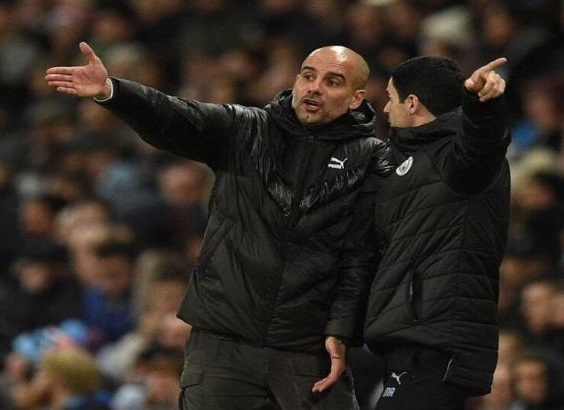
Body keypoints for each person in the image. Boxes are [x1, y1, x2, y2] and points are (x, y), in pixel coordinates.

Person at [46, 42, 391, 409]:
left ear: (356, 98)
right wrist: (114, 91)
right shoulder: (248, 129)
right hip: (222, 342)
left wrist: (341, 329)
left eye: (332, 81)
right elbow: (176, 116)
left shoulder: (371, 158)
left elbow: (361, 254)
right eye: (308, 76)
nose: (315, 87)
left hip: (307, 348)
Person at [365, 56, 510, 409]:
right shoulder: (403, 162)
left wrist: (481, 105)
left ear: (412, 103)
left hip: (438, 336)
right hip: (407, 335)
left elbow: (482, 145)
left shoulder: (456, 153)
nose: (385, 108)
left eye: (391, 97)